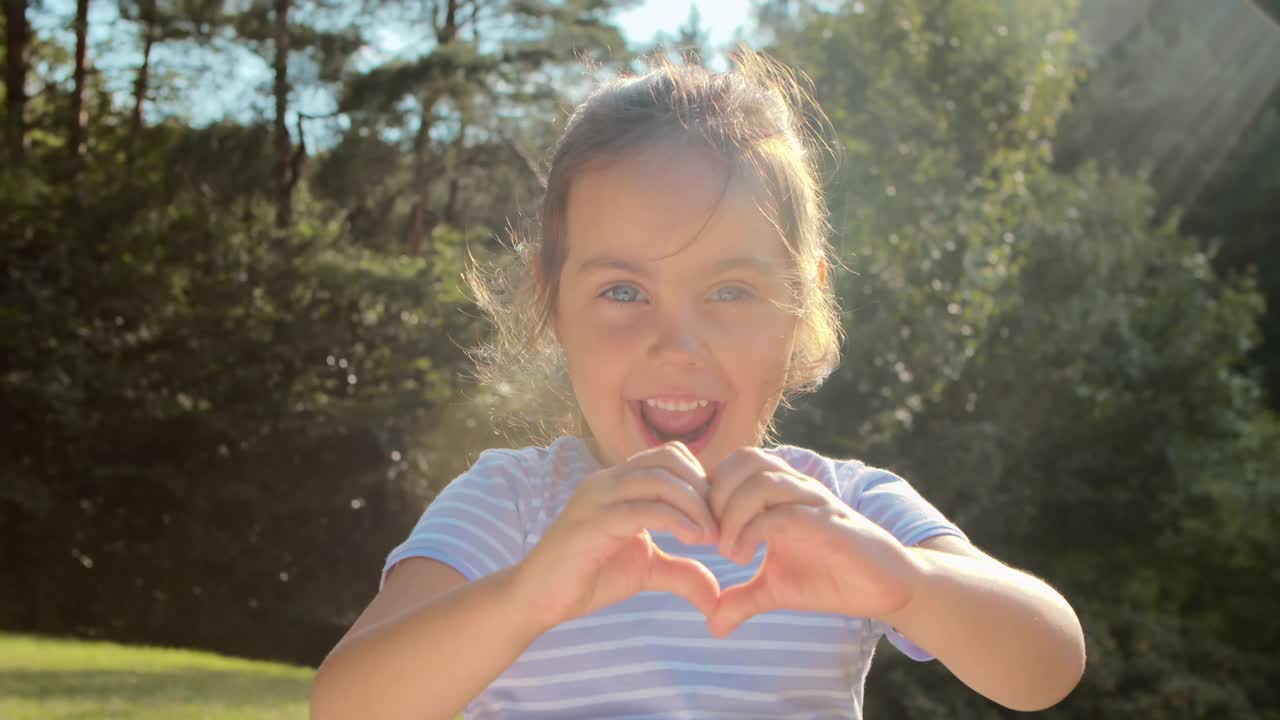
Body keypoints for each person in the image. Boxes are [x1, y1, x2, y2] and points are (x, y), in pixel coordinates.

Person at [310, 50, 1086, 720]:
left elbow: (1047, 664)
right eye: (622, 291)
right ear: (552, 300)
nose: (676, 345)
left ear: (801, 302)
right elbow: (344, 705)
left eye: (730, 291)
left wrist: (908, 582)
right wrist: (525, 599)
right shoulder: (512, 507)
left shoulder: (843, 511)